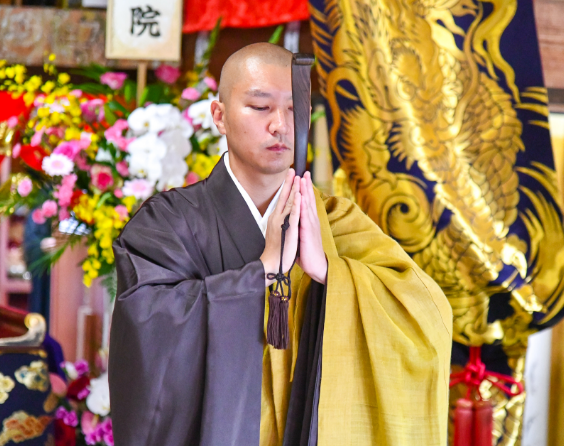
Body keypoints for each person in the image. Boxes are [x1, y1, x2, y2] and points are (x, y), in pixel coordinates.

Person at [109, 43, 452, 446]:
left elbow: (425, 315)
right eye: (261, 107)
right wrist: (262, 272)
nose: (280, 125)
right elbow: (146, 331)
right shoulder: (168, 224)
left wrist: (331, 273)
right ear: (219, 116)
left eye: (293, 109)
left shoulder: (337, 220)